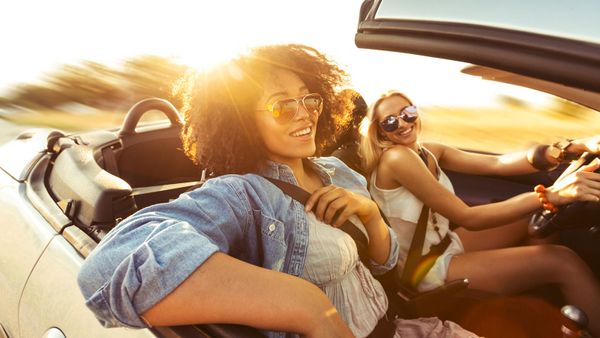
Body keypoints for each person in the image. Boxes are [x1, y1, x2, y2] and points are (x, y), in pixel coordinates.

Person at [77, 45, 479, 338]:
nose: (304, 113)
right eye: (281, 106)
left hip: (399, 328)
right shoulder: (244, 195)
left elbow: (385, 264)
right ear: (241, 122)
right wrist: (308, 308)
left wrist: (371, 215)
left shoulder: (337, 171)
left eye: (310, 99)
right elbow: (108, 267)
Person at [359, 90, 600, 335]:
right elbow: (469, 217)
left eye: (407, 113)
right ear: (379, 131)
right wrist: (551, 195)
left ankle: (548, 304)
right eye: (390, 121)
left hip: (442, 246)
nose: (402, 123)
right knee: (563, 260)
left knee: (530, 218)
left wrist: (569, 148)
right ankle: (558, 287)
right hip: (423, 270)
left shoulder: (427, 151)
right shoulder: (396, 158)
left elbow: (498, 164)